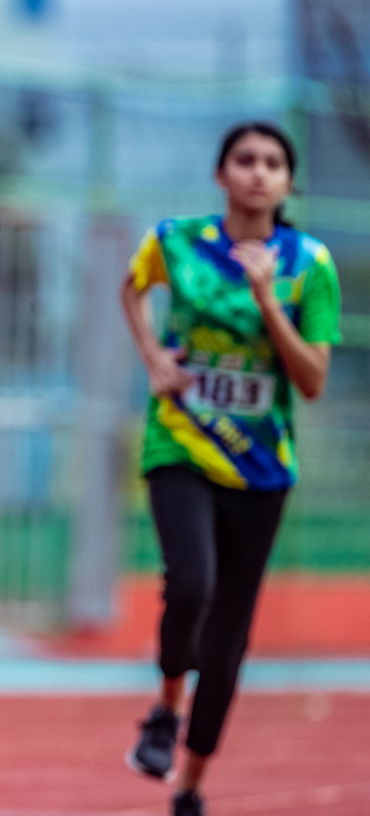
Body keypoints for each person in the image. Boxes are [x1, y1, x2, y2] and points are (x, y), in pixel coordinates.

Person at [120, 122, 340, 816]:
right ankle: (164, 706)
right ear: (221, 173)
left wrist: (270, 299)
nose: (257, 173)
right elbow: (131, 290)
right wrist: (154, 358)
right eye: (244, 160)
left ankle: (188, 786)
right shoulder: (176, 241)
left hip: (262, 466)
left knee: (230, 640)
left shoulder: (311, 262)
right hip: (182, 440)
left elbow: (311, 380)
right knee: (191, 581)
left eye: (273, 163)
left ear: (287, 183)